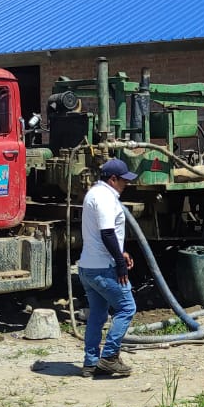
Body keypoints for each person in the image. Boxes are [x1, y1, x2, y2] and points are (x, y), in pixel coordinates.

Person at [80, 158, 139, 378]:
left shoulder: (93, 194)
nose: (126, 185)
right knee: (127, 308)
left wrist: (120, 253)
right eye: (124, 181)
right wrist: (121, 263)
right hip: (104, 267)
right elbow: (106, 232)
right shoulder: (105, 198)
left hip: (88, 266)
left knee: (97, 313)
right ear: (113, 179)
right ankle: (110, 357)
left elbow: (100, 234)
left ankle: (91, 362)